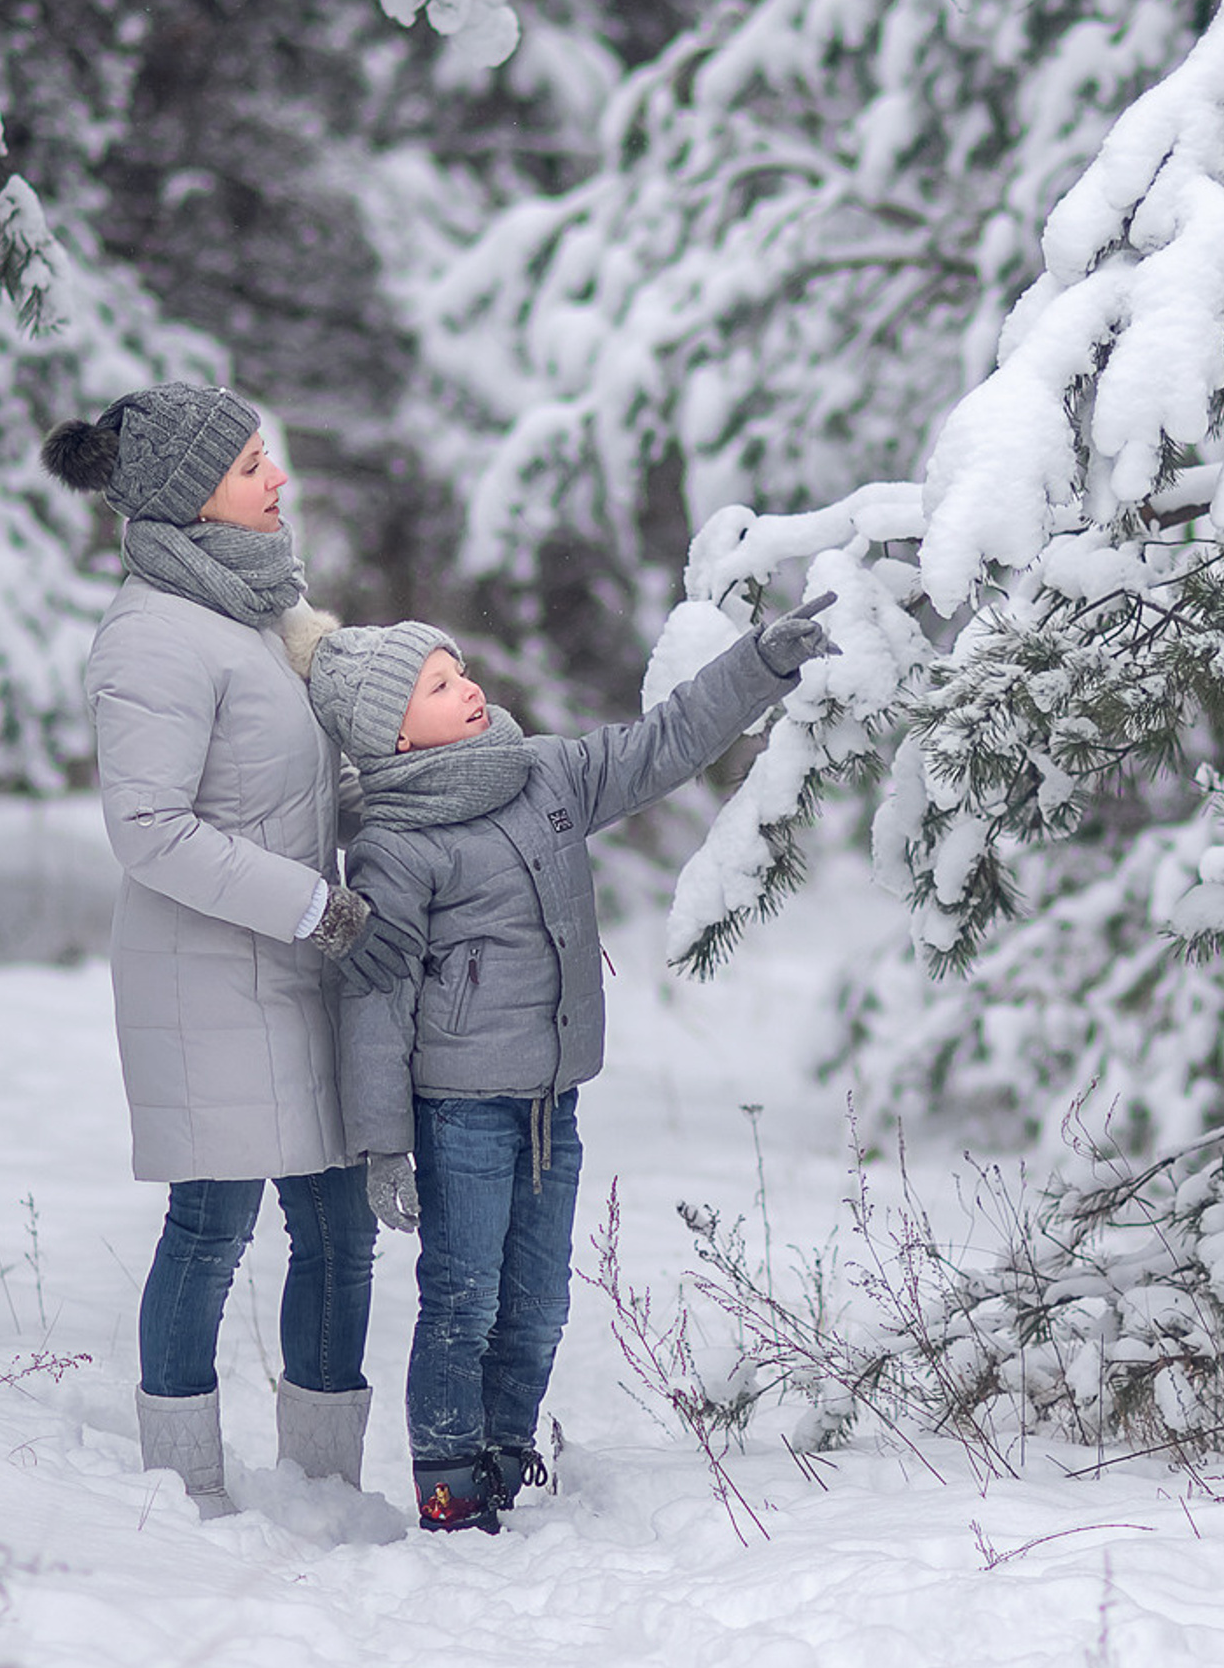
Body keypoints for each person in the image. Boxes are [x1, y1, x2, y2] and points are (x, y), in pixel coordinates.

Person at [303, 595, 834, 1532]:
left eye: (459, 670)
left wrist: (757, 665)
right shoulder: (395, 845)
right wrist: (385, 1147)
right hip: (460, 1110)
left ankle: (505, 1461)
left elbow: (659, 744)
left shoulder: (543, 772)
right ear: (392, 735)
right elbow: (375, 1002)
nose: (467, 688)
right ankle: (447, 1489)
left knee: (539, 1301)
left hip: (553, 1102)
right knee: (462, 1301)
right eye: (437, 686)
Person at [42, 385, 415, 1517]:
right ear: (191, 492)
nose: (278, 478)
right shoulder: (152, 634)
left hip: (302, 962)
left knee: (339, 1229)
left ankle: (321, 1484)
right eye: (254, 462)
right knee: (212, 1227)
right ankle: (183, 1485)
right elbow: (148, 831)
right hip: (207, 976)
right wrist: (313, 904)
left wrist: (417, 833)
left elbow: (309, 784)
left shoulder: (261, 612)